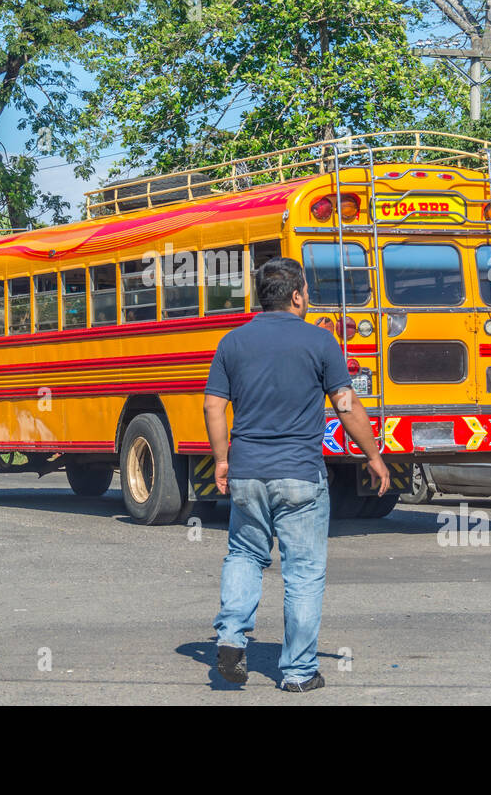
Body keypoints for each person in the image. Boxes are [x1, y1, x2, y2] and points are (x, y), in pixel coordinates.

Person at [204, 257, 390, 692]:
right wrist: (374, 456)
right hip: (300, 475)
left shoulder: (232, 342)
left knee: (245, 555)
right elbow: (346, 405)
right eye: (306, 292)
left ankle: (231, 636)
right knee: (302, 573)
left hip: (247, 471)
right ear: (296, 295)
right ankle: (299, 672)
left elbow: (214, 405)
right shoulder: (319, 342)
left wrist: (221, 460)